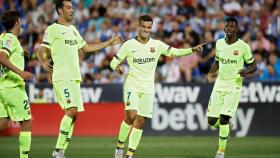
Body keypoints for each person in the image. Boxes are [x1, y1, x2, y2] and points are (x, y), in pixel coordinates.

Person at [110, 14, 206, 158]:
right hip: (132, 85)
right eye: (144, 27)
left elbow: (174, 52)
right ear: (138, 27)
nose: (146, 30)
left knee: (141, 121)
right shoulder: (129, 45)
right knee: (131, 115)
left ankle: (129, 155)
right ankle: (119, 146)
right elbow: (113, 62)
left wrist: (192, 49)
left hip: (148, 88)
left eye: (149, 27)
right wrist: (117, 68)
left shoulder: (157, 45)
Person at [37, 0, 122, 158]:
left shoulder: (74, 30)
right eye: (68, 7)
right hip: (62, 76)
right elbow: (41, 50)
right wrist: (43, 62)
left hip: (75, 77)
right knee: (72, 110)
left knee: (74, 115)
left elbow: (87, 48)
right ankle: (57, 151)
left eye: (73, 8)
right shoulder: (52, 29)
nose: (72, 10)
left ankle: (61, 151)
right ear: (60, 10)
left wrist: (109, 43)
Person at [207, 17, 257, 158]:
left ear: (237, 29)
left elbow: (254, 65)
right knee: (211, 121)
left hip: (234, 85)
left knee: (223, 118)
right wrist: (211, 73)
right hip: (219, 84)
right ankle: (227, 128)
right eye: (227, 26)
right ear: (224, 28)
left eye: (232, 26)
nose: (229, 28)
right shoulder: (219, 43)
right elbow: (217, 61)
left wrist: (246, 71)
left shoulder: (243, 46)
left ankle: (221, 152)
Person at [0, 11, 34, 158]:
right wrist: (21, 73)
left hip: (2, 87)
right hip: (13, 87)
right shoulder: (11, 39)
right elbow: (2, 57)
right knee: (26, 121)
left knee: (2, 122)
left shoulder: (2, 37)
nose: (21, 24)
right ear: (16, 23)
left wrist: (22, 53)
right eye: (20, 21)